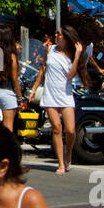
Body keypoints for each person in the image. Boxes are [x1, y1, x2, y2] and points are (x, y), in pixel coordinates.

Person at [31, 25, 83, 173]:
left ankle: (68, 154)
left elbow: (71, 76)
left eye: (59, 34)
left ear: (66, 38)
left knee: (71, 130)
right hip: (50, 95)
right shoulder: (50, 49)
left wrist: (78, 55)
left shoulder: (71, 54)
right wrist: (34, 89)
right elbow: (43, 69)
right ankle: (61, 163)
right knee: (57, 129)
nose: (56, 36)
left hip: (65, 95)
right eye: (56, 34)